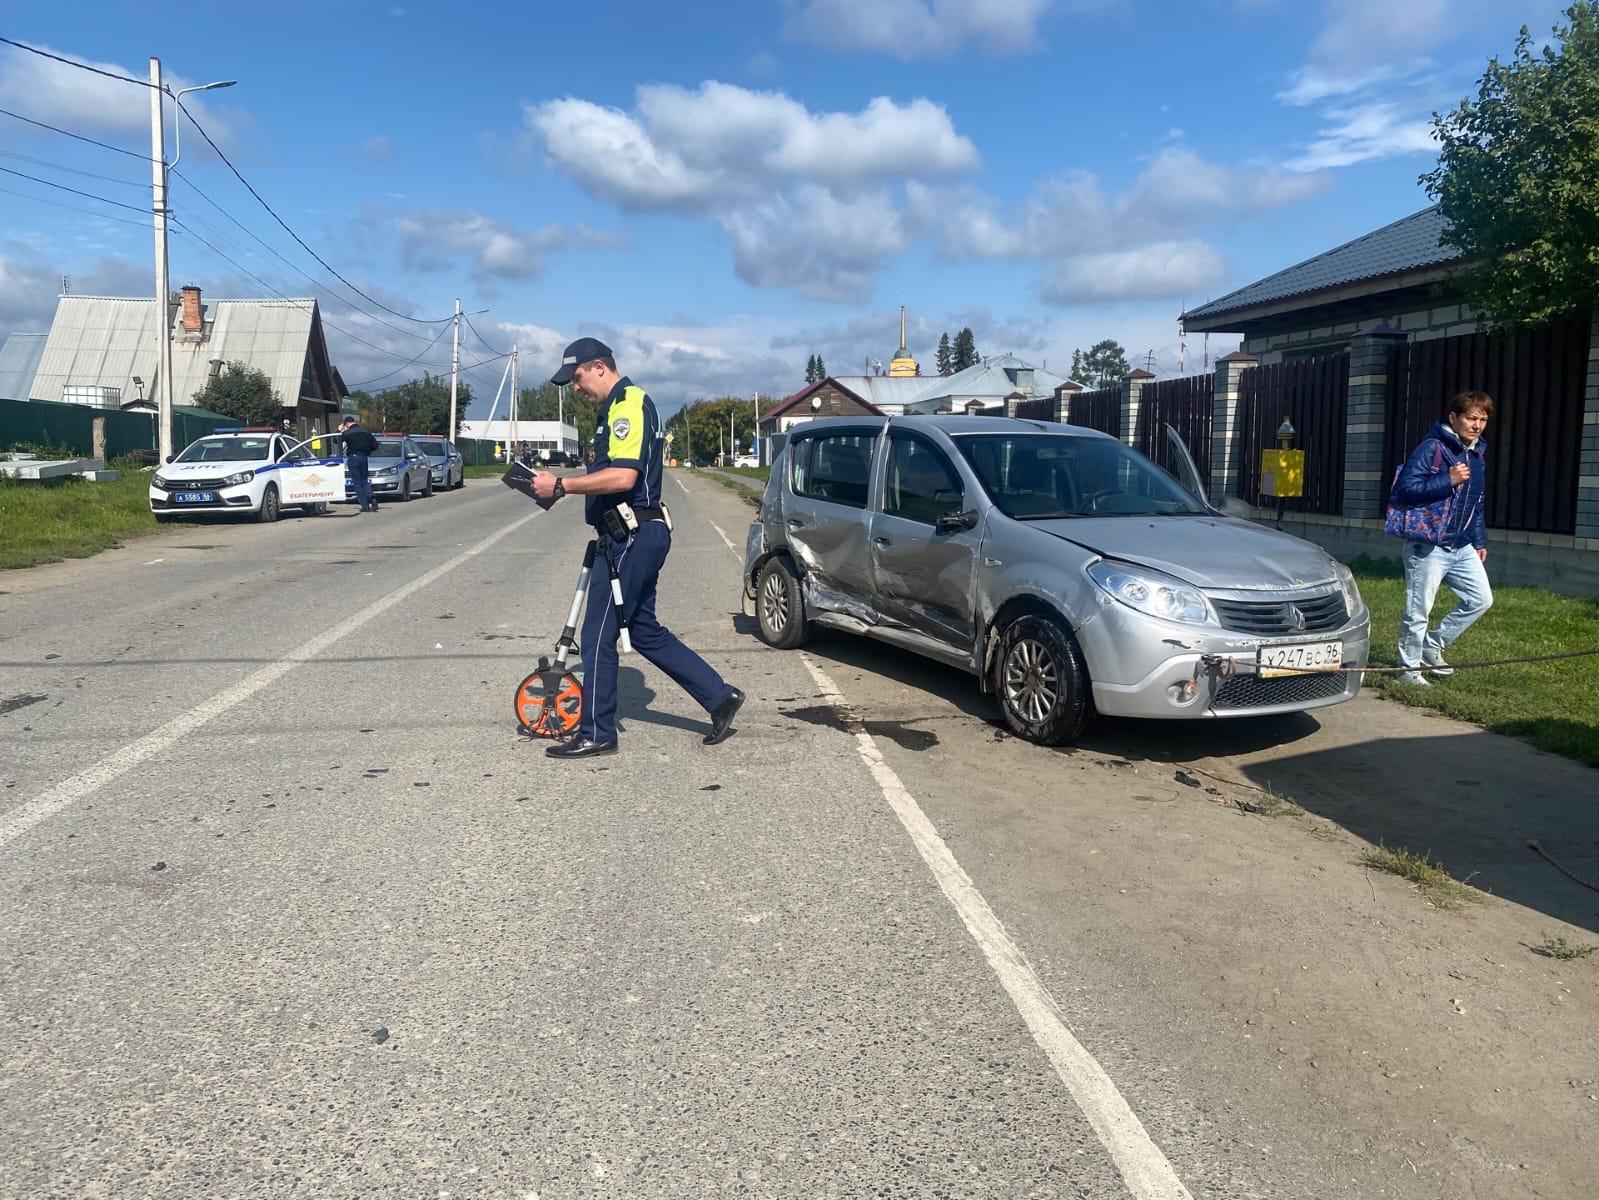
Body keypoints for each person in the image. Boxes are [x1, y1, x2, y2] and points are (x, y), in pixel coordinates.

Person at [531, 337, 744, 759]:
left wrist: (561, 484)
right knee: (642, 629)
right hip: (631, 535)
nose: (574, 388)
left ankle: (596, 732)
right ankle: (720, 697)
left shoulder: (627, 403)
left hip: (632, 534)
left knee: (596, 635)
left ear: (597, 367)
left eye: (575, 378)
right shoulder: (612, 409)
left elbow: (624, 477)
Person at [1388, 390, 1494, 685]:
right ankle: (1407, 669)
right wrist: (1447, 479)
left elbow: (1476, 502)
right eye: (1471, 417)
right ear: (1453, 417)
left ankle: (1431, 645)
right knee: (1418, 610)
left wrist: (1479, 541)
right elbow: (1406, 490)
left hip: (1461, 544)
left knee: (1480, 600)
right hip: (1428, 544)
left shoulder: (1476, 454)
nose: (1477, 425)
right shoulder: (1432, 447)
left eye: (1483, 419)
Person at [338, 415, 379, 513]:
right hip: (364, 458)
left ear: (346, 424)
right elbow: (375, 445)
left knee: (357, 483)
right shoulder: (366, 432)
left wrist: (339, 431)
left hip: (353, 458)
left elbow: (336, 441)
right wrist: (368, 451)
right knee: (364, 481)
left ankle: (365, 506)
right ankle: (372, 498)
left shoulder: (347, 433)